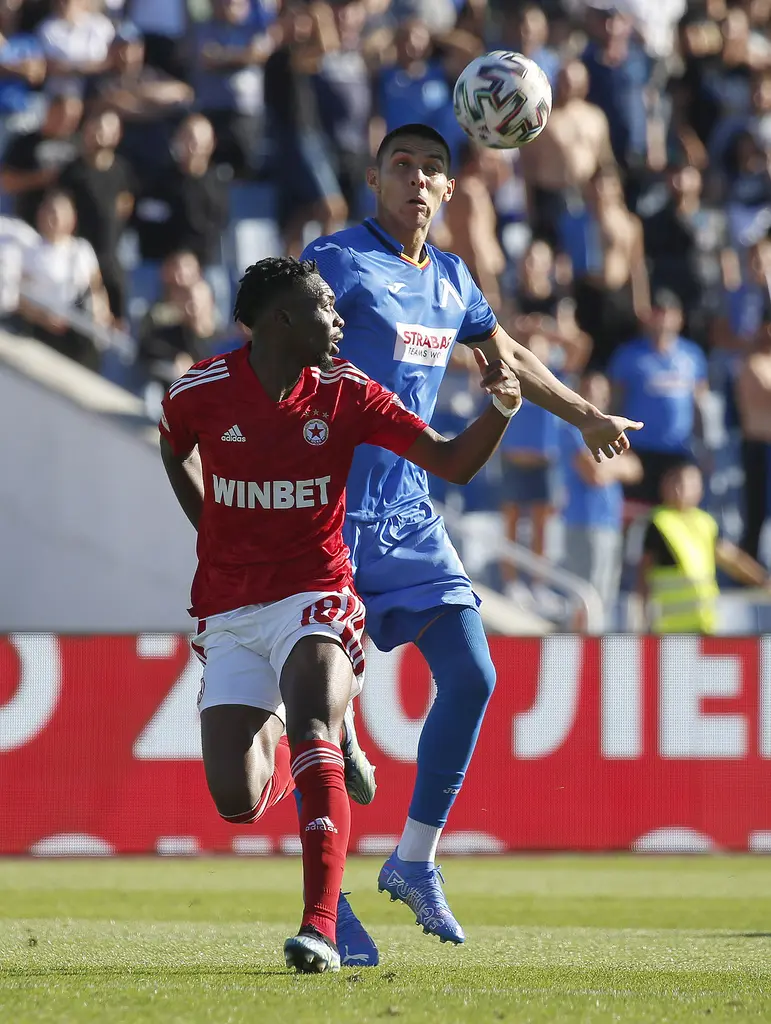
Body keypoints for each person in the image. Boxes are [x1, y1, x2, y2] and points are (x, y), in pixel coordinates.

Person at [301, 122, 643, 944]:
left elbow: (507, 357)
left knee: (473, 675)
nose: (416, 180)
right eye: (401, 166)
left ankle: (413, 861)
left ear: (451, 189)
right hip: (325, 512)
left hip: (408, 515)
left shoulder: (453, 280)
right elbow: (277, 349)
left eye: (431, 169)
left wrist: (584, 415)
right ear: (374, 179)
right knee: (309, 712)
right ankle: (327, 907)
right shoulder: (337, 260)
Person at [158, 255, 523, 972]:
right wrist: (211, 531)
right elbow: (174, 449)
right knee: (236, 800)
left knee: (313, 730)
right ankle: (323, 739)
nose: (338, 319)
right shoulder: (200, 391)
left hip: (315, 589)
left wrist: (502, 410)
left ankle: (319, 928)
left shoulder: (347, 391)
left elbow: (451, 463)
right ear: (280, 320)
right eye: (324, 307)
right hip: (230, 604)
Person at [608, 289, 708, 515]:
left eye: (669, 313)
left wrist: (705, 447)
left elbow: (700, 404)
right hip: (639, 449)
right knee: (638, 513)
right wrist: (616, 444)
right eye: (658, 313)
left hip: (679, 450)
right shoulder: (629, 356)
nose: (663, 320)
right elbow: (615, 403)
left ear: (679, 318)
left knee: (677, 514)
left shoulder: (692, 356)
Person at [637, 462, 769, 633]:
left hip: (705, 623)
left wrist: (762, 580)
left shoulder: (705, 522)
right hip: (670, 628)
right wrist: (643, 617)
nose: (680, 490)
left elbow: (730, 557)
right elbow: (644, 572)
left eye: (689, 484)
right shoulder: (658, 522)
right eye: (676, 482)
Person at [559, 372, 643, 631]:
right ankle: (582, 643)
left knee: (605, 593)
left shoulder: (609, 432)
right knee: (586, 594)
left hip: (609, 522)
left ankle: (595, 643)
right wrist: (616, 464)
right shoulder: (572, 430)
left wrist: (609, 465)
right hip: (583, 521)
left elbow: (635, 469)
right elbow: (594, 474)